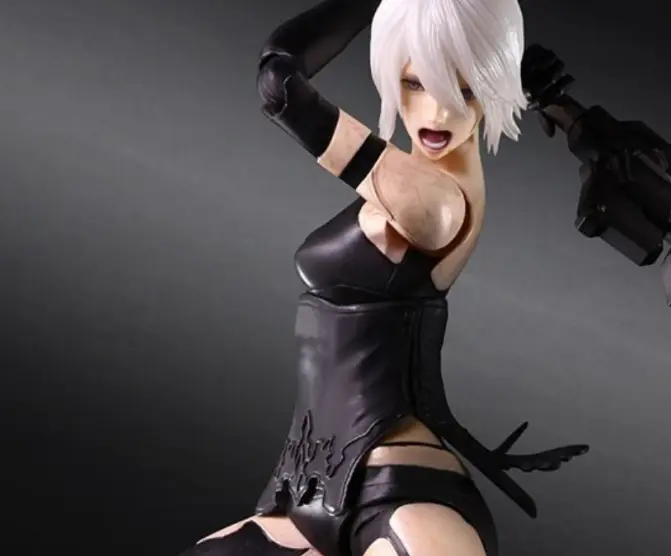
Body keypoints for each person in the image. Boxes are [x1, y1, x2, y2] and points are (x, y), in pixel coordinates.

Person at [178, 1, 587, 555]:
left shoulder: (434, 203)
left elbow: (279, 84)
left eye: (465, 91)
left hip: (396, 492)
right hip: (306, 486)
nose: (437, 113)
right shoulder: (414, 178)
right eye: (415, 82)